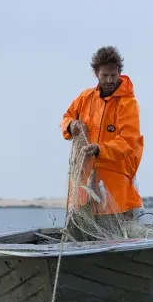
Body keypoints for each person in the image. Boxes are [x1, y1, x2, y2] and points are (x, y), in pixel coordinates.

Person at [60, 46, 144, 220]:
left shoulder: (128, 104)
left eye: (113, 75)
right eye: (104, 75)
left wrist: (99, 149)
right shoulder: (85, 98)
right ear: (96, 74)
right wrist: (71, 125)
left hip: (115, 189)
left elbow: (128, 142)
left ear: (119, 72)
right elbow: (66, 117)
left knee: (117, 240)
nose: (109, 80)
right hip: (84, 190)